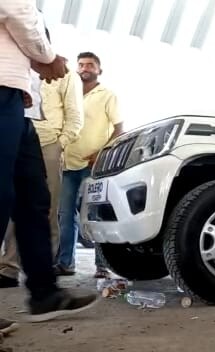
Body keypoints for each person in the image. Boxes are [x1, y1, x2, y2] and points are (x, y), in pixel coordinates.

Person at [0, 0, 97, 324]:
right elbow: (15, 10)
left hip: (18, 103)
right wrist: (47, 57)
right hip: (2, 92)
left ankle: (45, 294)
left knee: (33, 200)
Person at [0, 25, 84, 289]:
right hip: (12, 118)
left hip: (41, 137)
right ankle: (10, 268)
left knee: (40, 205)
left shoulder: (65, 75)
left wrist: (60, 144)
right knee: (10, 201)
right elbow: (19, 14)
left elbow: (74, 117)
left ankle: (44, 283)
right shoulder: (21, 57)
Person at [56, 51, 123, 279]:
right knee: (65, 214)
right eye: (81, 64)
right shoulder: (69, 93)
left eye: (90, 65)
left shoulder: (108, 95)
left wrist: (102, 153)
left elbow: (119, 129)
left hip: (94, 165)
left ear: (99, 70)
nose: (85, 68)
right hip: (68, 164)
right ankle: (65, 263)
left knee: (95, 214)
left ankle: (101, 266)